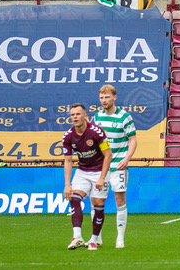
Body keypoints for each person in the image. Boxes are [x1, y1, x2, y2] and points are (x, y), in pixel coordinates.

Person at [61, 103, 112, 250]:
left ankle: (94, 240)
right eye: (72, 115)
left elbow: (108, 155)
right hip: (82, 170)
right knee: (74, 198)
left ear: (85, 116)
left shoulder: (97, 132)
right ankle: (77, 237)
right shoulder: (68, 136)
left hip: (99, 170)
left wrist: (102, 177)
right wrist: (67, 184)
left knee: (98, 205)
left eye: (78, 114)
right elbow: (68, 160)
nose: (75, 117)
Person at [95, 85, 138, 249]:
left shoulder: (124, 117)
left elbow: (133, 139)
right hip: (101, 166)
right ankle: (96, 236)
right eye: (101, 98)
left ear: (114, 97)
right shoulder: (97, 116)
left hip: (118, 165)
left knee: (120, 201)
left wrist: (127, 158)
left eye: (106, 97)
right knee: (97, 201)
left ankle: (120, 239)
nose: (103, 101)